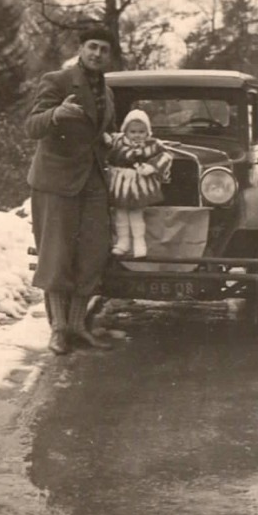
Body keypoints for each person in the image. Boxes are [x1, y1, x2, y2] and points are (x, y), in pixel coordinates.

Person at [25, 24, 116, 355]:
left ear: (110, 56)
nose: (97, 54)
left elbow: (104, 135)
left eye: (104, 50)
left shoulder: (107, 93)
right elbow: (31, 126)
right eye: (92, 46)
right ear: (81, 49)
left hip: (93, 181)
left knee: (93, 253)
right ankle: (59, 329)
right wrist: (56, 114)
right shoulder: (58, 81)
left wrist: (115, 142)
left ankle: (78, 325)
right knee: (57, 255)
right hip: (56, 181)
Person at [106, 109, 173, 258]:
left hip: (139, 184)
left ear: (147, 131)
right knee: (120, 214)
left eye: (141, 131)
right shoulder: (118, 142)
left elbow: (166, 155)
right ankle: (123, 243)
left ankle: (139, 243)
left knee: (136, 214)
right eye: (133, 131)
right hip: (121, 184)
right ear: (126, 131)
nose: (137, 135)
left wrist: (152, 166)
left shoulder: (153, 145)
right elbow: (110, 154)